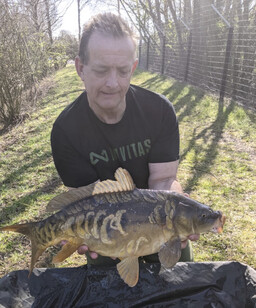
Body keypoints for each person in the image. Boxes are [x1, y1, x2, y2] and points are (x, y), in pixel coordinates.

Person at [51, 12, 199, 266]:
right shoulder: (66, 131)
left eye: (122, 71)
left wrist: (176, 217)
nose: (112, 83)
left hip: (160, 225)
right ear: (80, 68)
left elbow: (164, 179)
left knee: (179, 279)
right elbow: (89, 200)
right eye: (100, 70)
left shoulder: (160, 111)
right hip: (107, 233)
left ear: (133, 67)